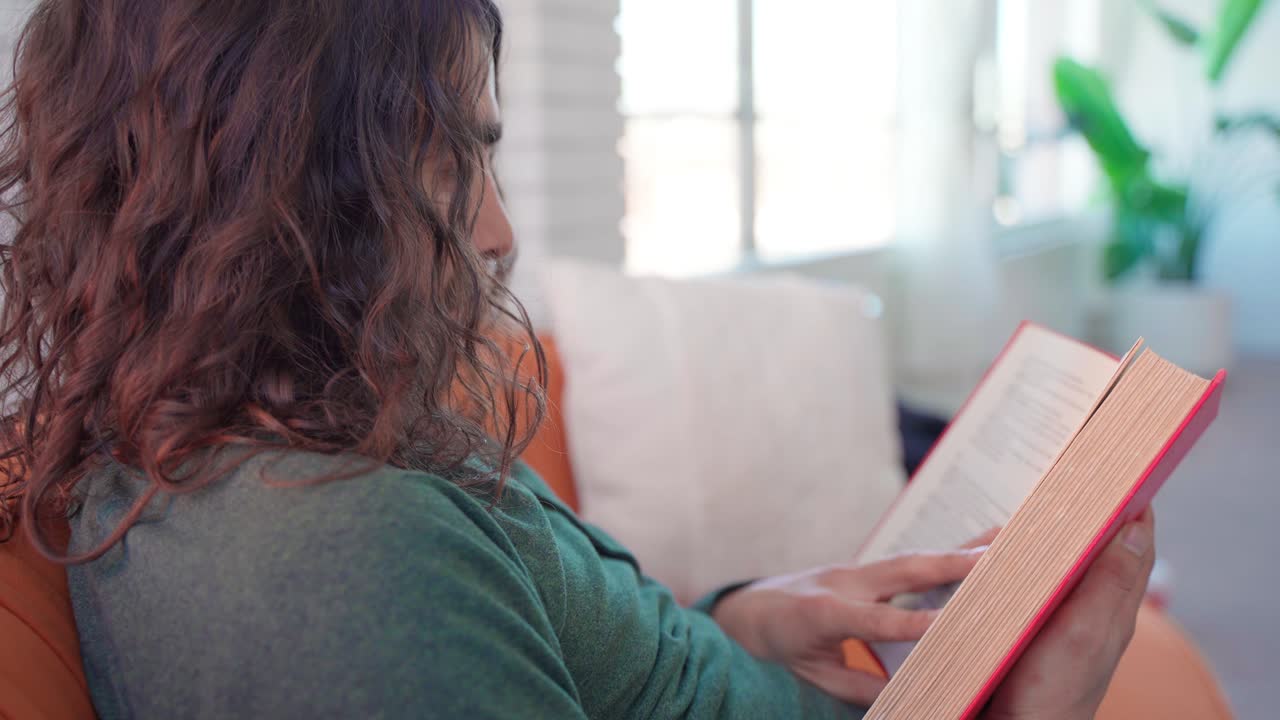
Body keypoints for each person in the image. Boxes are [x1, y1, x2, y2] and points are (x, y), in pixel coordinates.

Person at [0, 1, 1155, 718]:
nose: (498, 233)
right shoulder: (327, 554)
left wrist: (740, 617)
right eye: (447, 161)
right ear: (273, 191)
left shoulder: (325, 413)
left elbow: (568, 641)